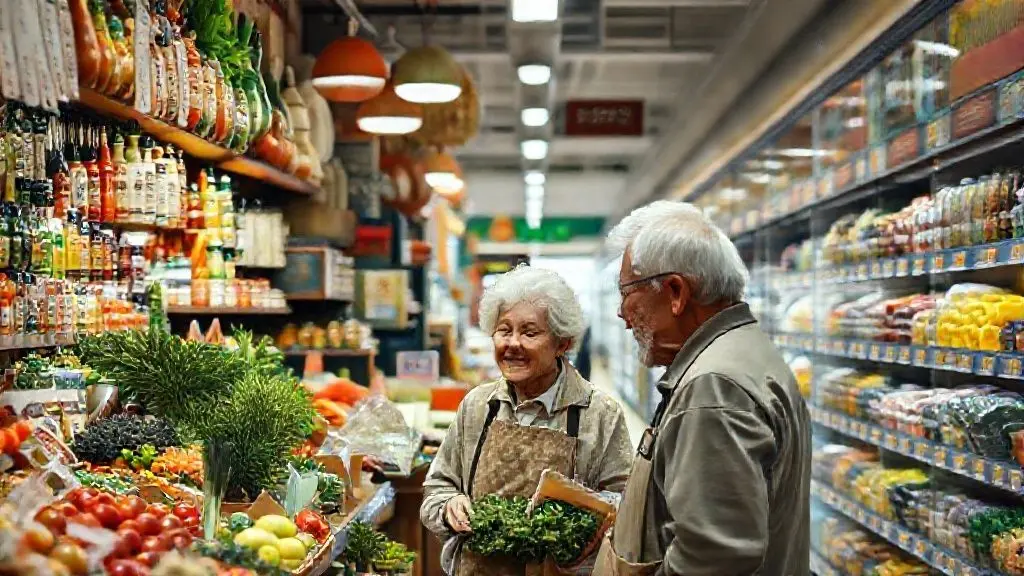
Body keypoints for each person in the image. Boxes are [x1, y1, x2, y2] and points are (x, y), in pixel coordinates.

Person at [593, 201, 811, 576]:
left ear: (676, 292)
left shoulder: (713, 389)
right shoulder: (744, 351)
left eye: (627, 292)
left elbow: (712, 558)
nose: (620, 314)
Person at [421, 265, 634, 576]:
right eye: (504, 330)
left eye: (529, 332)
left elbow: (627, 507)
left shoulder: (599, 414)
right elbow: (437, 487)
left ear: (562, 343)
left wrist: (580, 523)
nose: (513, 344)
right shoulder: (479, 406)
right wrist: (448, 505)